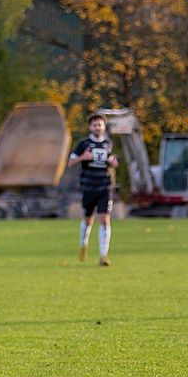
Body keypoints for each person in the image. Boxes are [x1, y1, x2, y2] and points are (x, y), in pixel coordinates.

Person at [68, 113, 118, 266]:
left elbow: (114, 162)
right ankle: (84, 244)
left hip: (105, 186)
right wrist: (83, 157)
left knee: (104, 218)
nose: (97, 127)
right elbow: (70, 162)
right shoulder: (83, 144)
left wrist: (113, 162)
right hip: (89, 186)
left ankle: (103, 255)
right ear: (90, 127)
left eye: (100, 124)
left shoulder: (108, 143)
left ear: (104, 127)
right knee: (88, 219)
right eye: (94, 125)